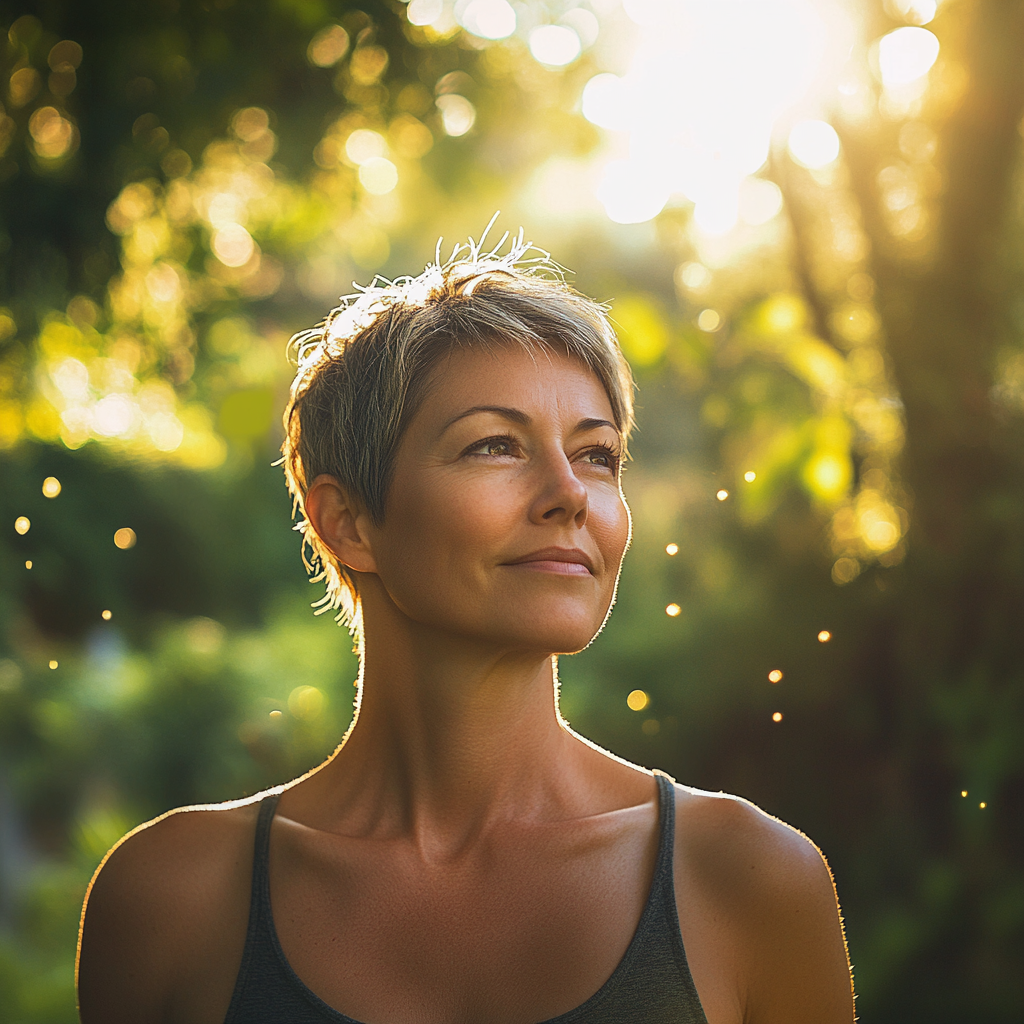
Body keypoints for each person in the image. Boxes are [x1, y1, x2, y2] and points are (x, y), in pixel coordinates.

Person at [77, 231, 855, 1024]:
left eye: (596, 456)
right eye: (495, 445)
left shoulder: (748, 881)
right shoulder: (170, 902)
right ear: (347, 523)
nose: (568, 495)